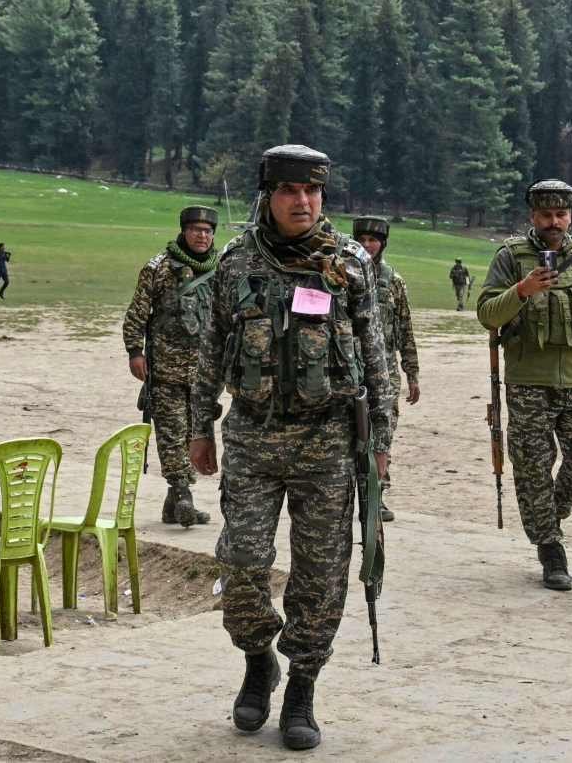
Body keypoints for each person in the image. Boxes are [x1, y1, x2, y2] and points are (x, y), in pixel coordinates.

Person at [190, 145, 391, 753]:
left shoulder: (350, 263)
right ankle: (258, 658)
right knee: (243, 562)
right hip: (252, 436)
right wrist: (201, 425)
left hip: (329, 439)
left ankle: (302, 684)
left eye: (312, 191)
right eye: (289, 191)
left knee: (321, 575)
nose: (302, 202)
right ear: (268, 194)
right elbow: (210, 347)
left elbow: (376, 359)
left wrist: (380, 442)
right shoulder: (236, 261)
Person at [477, 178, 572, 593]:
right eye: (546, 215)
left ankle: (553, 510)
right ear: (532, 216)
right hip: (527, 383)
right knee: (533, 469)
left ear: (570, 216)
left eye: (562, 214)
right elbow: (487, 314)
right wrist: (522, 291)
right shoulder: (510, 258)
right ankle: (551, 549)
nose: (555, 222)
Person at [122, 204, 220, 528]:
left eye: (207, 231)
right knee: (172, 433)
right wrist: (136, 352)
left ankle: (172, 503)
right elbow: (136, 313)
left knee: (193, 435)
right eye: (196, 230)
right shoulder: (158, 268)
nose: (202, 236)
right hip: (164, 370)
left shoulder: (221, 271)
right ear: (184, 231)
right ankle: (183, 496)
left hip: (204, 377)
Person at [350, 216, 419, 521]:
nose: (367, 246)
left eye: (373, 240)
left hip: (385, 371)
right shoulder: (343, 276)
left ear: (383, 244)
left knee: (383, 432)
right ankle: (349, 495)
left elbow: (405, 328)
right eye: (362, 240)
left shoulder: (393, 282)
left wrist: (412, 372)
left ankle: (376, 495)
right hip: (349, 367)